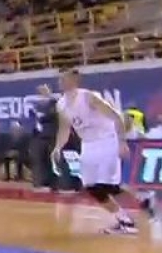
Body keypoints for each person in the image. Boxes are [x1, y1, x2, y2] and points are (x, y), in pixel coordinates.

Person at [52, 69, 156, 234]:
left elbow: (116, 117)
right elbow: (64, 129)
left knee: (107, 185)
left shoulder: (89, 97)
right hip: (88, 145)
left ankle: (141, 203)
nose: (60, 81)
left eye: (64, 78)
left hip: (107, 140)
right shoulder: (61, 104)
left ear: (75, 80)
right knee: (92, 188)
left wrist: (122, 142)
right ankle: (125, 217)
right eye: (60, 78)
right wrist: (57, 147)